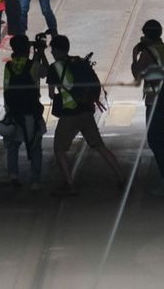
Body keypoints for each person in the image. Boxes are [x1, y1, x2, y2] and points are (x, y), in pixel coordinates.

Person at [46, 34, 121, 195]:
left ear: (57, 50)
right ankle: (120, 176)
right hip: (86, 111)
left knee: (59, 149)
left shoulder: (55, 68)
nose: (51, 53)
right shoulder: (79, 62)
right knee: (99, 146)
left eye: (52, 50)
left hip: (69, 114)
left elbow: (52, 95)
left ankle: (70, 184)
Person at [130, 19, 164, 197]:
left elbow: (137, 75)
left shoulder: (146, 53)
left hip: (153, 98)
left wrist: (135, 55)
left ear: (146, 35)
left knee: (154, 139)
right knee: (160, 138)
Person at [0, 34, 48, 189]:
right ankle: (35, 180)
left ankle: (13, 175)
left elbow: (6, 89)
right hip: (31, 111)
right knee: (35, 145)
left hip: (14, 111)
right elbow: (45, 72)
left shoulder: (9, 66)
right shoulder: (33, 65)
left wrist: (9, 111)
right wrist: (41, 53)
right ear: (28, 49)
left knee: (13, 145)